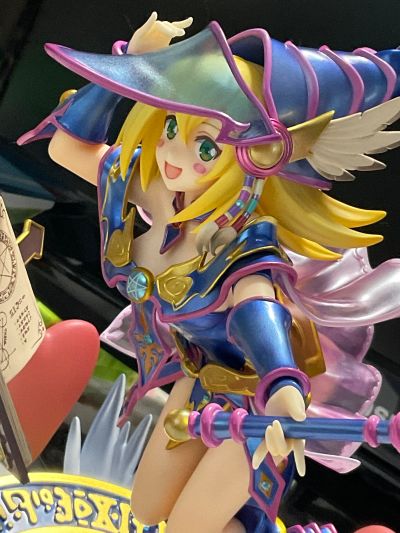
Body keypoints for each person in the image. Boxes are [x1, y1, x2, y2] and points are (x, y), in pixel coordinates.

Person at [18, 12, 400, 533]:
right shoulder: (160, 194)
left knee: (193, 528)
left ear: (255, 157)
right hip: (200, 380)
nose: (173, 155)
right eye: (171, 127)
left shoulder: (245, 243)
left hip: (261, 403)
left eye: (205, 148)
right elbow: (67, 148)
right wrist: (132, 63)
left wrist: (282, 386)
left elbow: (255, 305)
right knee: (147, 510)